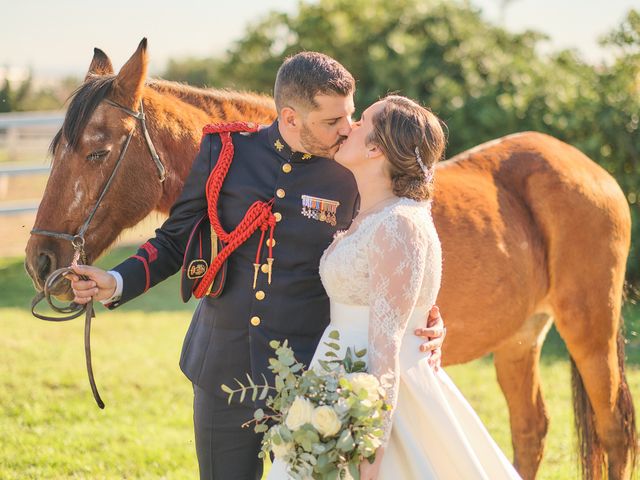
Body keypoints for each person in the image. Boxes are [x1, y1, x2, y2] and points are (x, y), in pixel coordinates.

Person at [67, 52, 446, 479]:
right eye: (331, 122)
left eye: (350, 117)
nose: (346, 130)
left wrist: (428, 318)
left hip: (311, 376)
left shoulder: (352, 173)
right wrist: (116, 281)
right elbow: (175, 239)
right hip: (220, 369)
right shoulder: (224, 151)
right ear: (290, 118)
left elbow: (392, 248)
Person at [268, 95, 522, 480]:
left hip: (376, 396)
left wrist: (373, 447)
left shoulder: (398, 223)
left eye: (362, 119)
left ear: (375, 147)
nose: (349, 125)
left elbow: (386, 345)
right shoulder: (372, 213)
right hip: (335, 382)